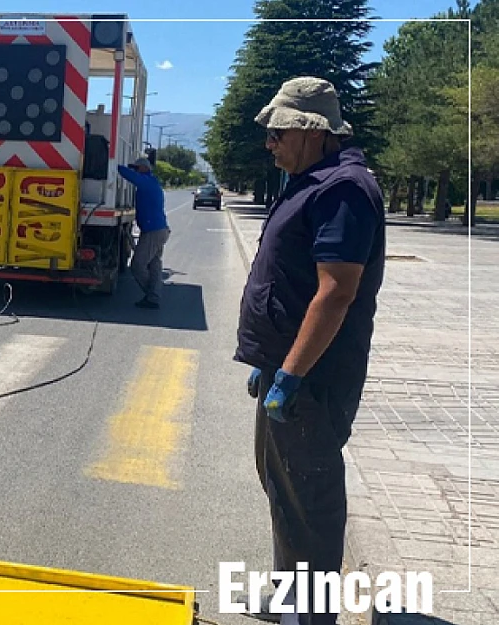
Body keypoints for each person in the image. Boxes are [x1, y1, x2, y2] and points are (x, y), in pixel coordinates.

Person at [235, 77, 386, 624]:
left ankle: (313, 614)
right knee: (284, 488)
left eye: (278, 132)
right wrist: (269, 362)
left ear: (310, 130)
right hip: (288, 371)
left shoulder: (342, 189)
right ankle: (288, 597)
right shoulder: (311, 179)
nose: (269, 143)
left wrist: (291, 373)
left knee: (311, 501)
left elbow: (336, 289)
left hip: (312, 382)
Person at [117, 156, 170, 308]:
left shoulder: (147, 182)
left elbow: (130, 176)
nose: (136, 170)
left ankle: (153, 295)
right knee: (154, 265)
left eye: (137, 168)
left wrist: (114, 164)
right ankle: (154, 295)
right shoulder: (151, 182)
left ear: (144, 168)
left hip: (153, 231)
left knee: (137, 265)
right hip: (159, 230)